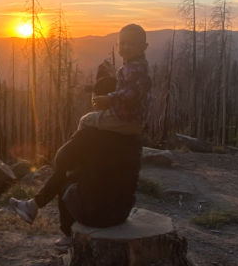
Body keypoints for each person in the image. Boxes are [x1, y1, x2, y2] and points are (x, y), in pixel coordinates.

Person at [10, 23, 152, 246]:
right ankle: (33, 205)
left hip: (97, 216)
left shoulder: (96, 133)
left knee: (67, 176)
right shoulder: (133, 139)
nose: (125, 47)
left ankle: (63, 232)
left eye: (96, 98)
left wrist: (76, 145)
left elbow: (61, 159)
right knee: (75, 172)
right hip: (122, 211)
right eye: (122, 43)